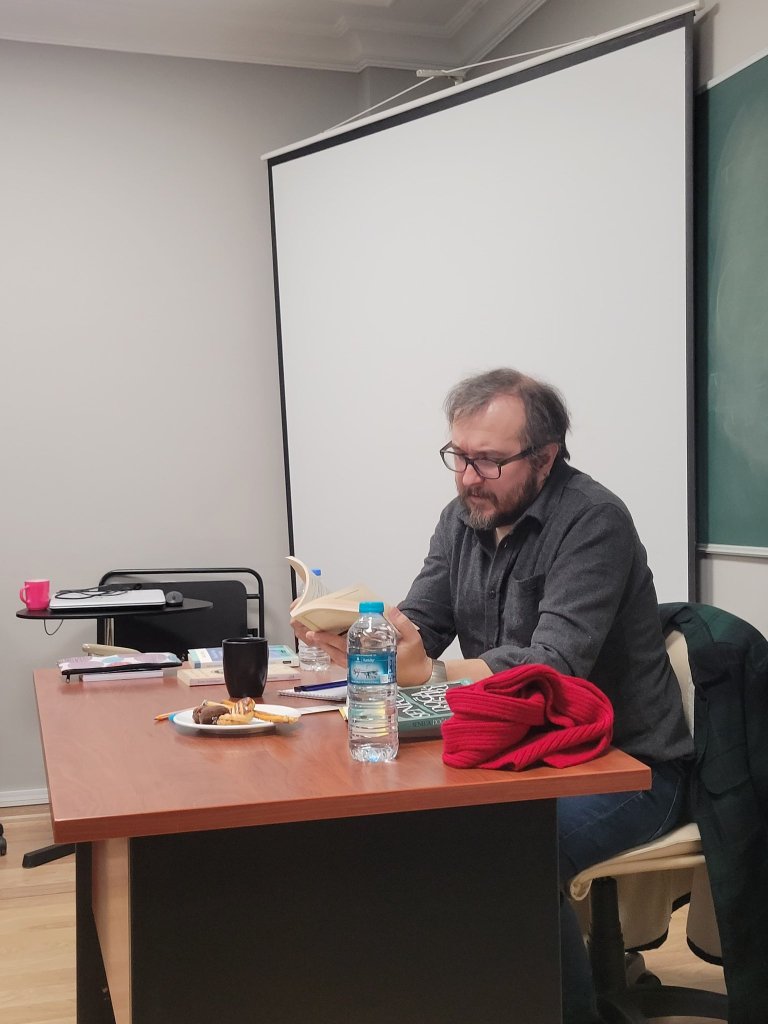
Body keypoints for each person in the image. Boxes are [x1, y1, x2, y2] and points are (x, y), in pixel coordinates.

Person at [293, 367, 693, 1024]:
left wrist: (431, 675)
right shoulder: (462, 518)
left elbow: (554, 666)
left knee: (507, 849)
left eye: (488, 461)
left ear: (546, 457)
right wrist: (364, 641)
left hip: (629, 766)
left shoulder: (593, 521)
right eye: (458, 456)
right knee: (396, 827)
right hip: (520, 751)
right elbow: (424, 622)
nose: (468, 478)